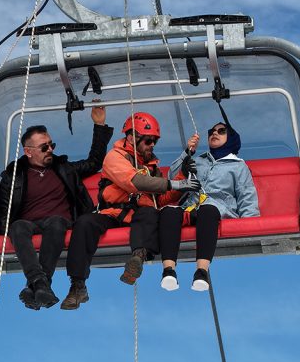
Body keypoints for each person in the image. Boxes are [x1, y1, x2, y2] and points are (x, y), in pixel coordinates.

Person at [60, 111, 199, 310]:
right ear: (132, 137)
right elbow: (133, 181)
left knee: (150, 212)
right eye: (148, 140)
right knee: (85, 223)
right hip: (112, 212)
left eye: (155, 142)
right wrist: (174, 184)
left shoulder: (151, 167)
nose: (152, 145)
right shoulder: (115, 157)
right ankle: (77, 285)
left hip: (141, 215)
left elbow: (160, 199)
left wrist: (182, 179)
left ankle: (138, 257)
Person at [0, 106, 112, 310]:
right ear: (28, 152)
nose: (50, 150)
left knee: (55, 222)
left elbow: (94, 162)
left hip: (60, 221)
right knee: (17, 227)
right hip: (30, 224)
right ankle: (41, 284)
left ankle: (36, 285)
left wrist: (99, 125)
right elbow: (5, 211)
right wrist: (2, 231)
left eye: (51, 145)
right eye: (44, 148)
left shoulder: (64, 168)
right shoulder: (14, 176)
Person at [159, 120, 259, 292]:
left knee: (208, 210)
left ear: (232, 138)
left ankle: (201, 271)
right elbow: (172, 176)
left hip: (217, 209)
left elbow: (246, 194)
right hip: (190, 207)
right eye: (211, 131)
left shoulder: (238, 166)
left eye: (221, 131)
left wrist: (250, 224)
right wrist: (187, 152)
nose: (215, 133)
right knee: (169, 212)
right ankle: (169, 270)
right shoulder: (199, 160)